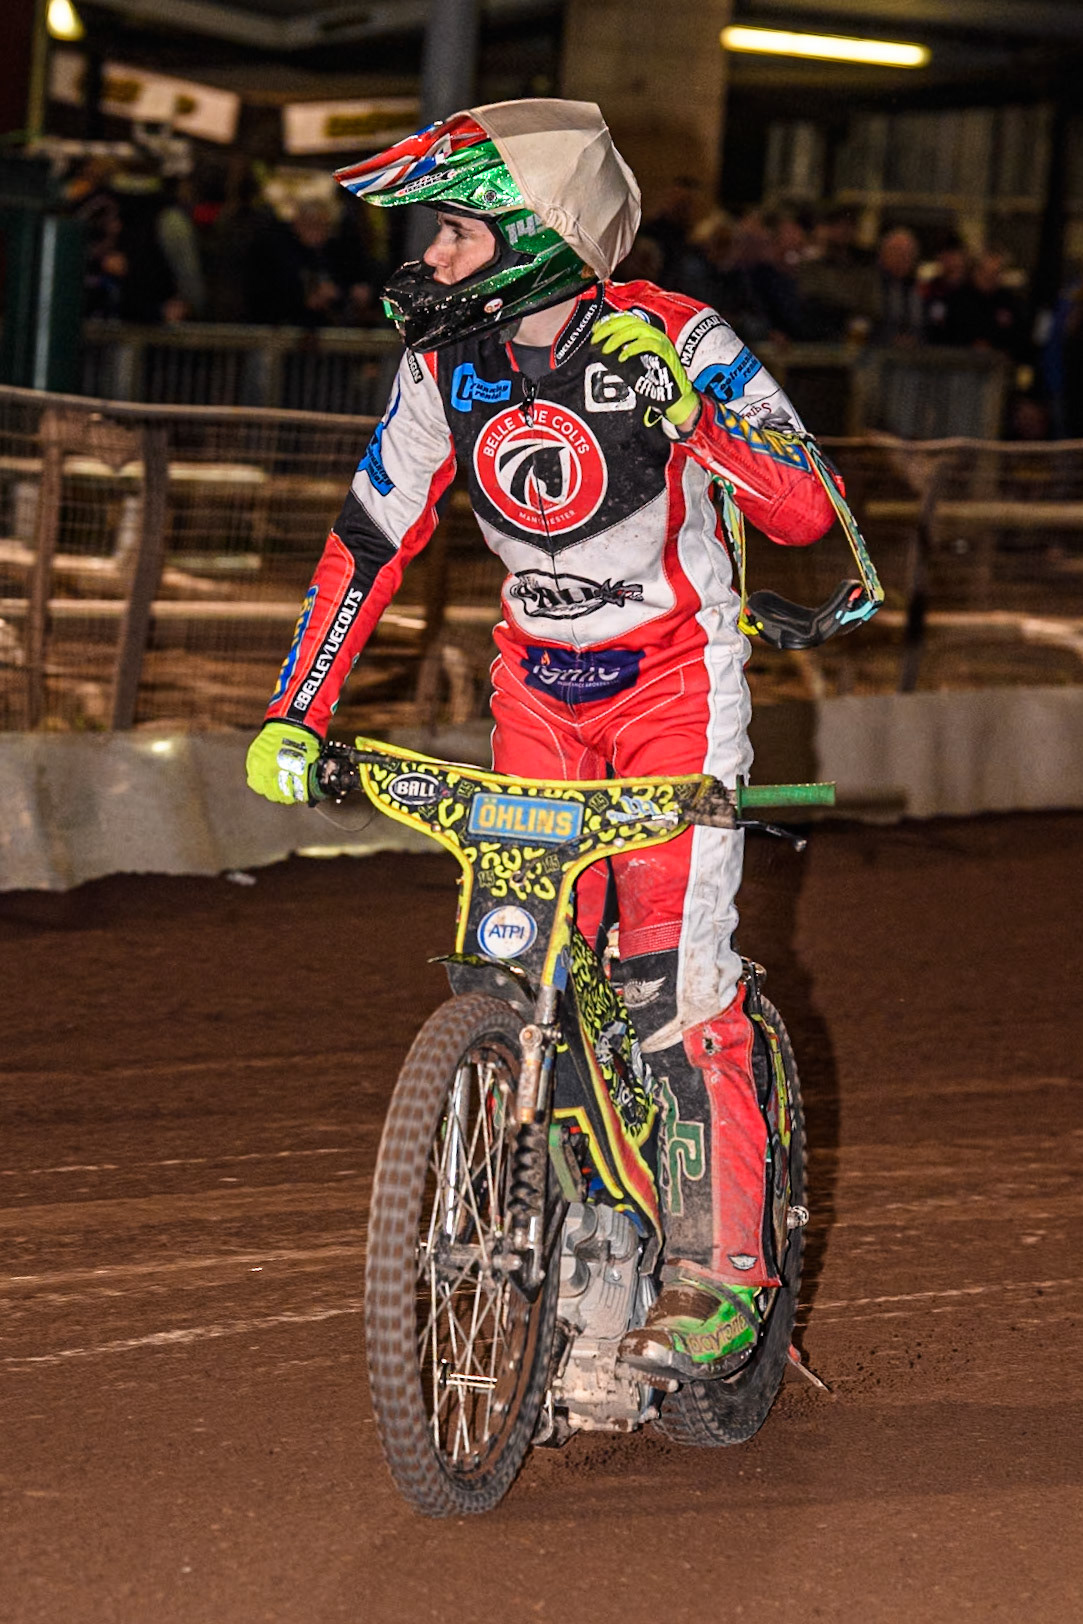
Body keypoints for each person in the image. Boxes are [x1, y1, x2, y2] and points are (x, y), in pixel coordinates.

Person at [244, 100, 838, 1382]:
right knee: (513, 965)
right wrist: (298, 705)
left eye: (454, 231)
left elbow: (801, 508)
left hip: (681, 686)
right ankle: (573, 1237)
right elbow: (368, 535)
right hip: (540, 697)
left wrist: (695, 411)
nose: (431, 257)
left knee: (667, 985)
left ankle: (721, 1274)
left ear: (533, 232)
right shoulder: (440, 367)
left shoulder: (679, 336)